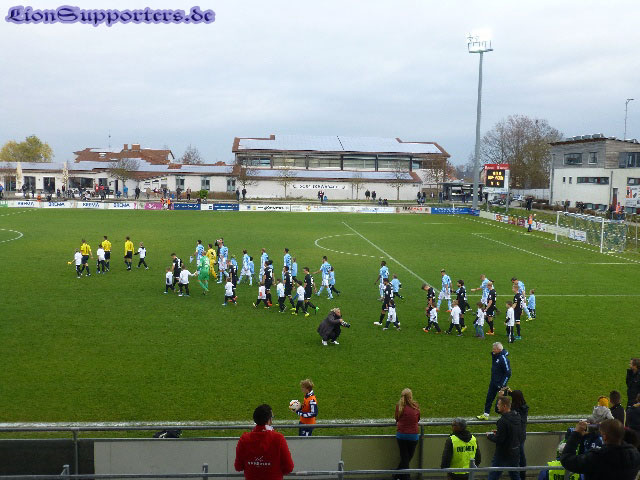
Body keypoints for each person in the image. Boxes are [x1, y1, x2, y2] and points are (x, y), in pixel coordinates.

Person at [560, 418, 640, 480]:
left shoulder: (597, 457)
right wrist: (608, 427)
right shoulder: (634, 454)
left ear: (604, 437)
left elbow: (566, 459)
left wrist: (576, 434)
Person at [234, 404, 294, 480]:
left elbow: (238, 467)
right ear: (269, 420)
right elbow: (289, 468)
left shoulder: (244, 439)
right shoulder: (278, 439)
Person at [486, 395, 521, 480]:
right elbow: (512, 431)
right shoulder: (517, 416)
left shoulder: (502, 421)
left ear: (504, 406)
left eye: (498, 404)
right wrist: (500, 432)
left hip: (503, 453)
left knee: (493, 475)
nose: (497, 406)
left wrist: (490, 436)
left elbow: (499, 439)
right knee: (515, 475)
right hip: (515, 450)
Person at [497, 389, 528, 480]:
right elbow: (517, 397)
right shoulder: (524, 407)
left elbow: (499, 410)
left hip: (514, 437)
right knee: (521, 458)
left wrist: (500, 397)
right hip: (521, 436)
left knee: (513, 461)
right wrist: (510, 393)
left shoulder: (514, 410)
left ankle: (518, 476)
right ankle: (522, 476)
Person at [478, 342, 511, 420]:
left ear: (499, 349)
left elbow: (508, 373)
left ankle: (505, 417)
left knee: (501, 402)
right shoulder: (496, 356)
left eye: (494, 349)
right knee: (489, 398)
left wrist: (502, 385)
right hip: (493, 382)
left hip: (501, 385)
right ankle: (486, 414)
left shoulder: (503, 359)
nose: (492, 350)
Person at [394, 388, 420, 480]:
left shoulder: (399, 406)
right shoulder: (416, 406)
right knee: (407, 458)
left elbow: (396, 419)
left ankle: (397, 475)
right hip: (413, 436)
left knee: (405, 458)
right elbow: (418, 419)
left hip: (401, 435)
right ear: (411, 396)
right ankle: (404, 477)